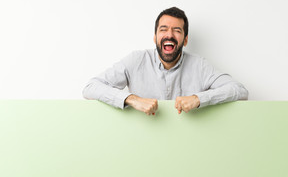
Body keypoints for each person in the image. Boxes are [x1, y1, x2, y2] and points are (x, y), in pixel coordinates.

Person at [83, 7, 248, 115]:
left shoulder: (200, 66)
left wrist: (199, 99)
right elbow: (91, 88)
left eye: (177, 30)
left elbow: (239, 90)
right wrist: (133, 99)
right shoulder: (136, 60)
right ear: (155, 37)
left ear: (185, 40)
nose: (169, 35)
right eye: (163, 29)